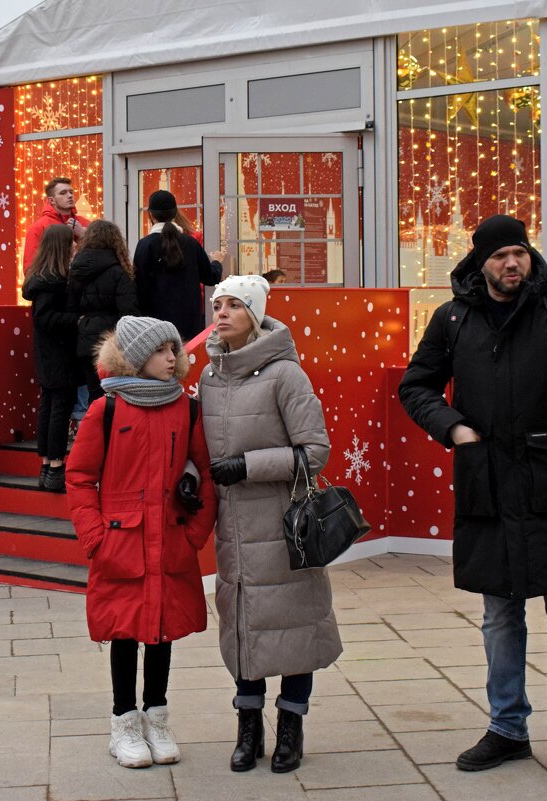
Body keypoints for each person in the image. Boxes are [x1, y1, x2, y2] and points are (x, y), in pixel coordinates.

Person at [398, 214, 547, 792]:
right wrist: (453, 428)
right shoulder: (453, 316)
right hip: (489, 483)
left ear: (530, 257)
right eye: (501, 255)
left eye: (520, 253)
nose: (513, 264)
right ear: (480, 262)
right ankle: (507, 727)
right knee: (500, 615)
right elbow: (416, 386)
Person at [199, 274, 339, 775]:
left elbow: (315, 452)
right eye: (219, 305)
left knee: (295, 627)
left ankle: (291, 727)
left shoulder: (286, 375)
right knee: (243, 628)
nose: (223, 314)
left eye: (235, 305)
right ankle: (248, 727)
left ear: (255, 315)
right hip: (233, 528)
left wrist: (248, 466)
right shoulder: (210, 377)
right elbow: (204, 448)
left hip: (284, 526)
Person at [66, 315, 217, 769]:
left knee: (162, 631)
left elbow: (206, 475)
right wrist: (95, 537)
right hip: (121, 542)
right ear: (135, 357)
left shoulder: (186, 408)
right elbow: (79, 476)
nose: (174, 359)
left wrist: (195, 534)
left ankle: (157, 715)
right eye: (162, 351)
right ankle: (123, 722)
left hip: (169, 539)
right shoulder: (106, 409)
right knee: (125, 633)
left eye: (175, 350)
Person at [22, 224, 80, 493]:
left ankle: (47, 465)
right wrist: (76, 319)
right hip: (59, 352)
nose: (75, 246)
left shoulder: (42, 278)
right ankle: (55, 466)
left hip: (48, 352)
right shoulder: (54, 282)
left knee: (49, 404)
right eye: (71, 243)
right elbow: (45, 317)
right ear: (62, 246)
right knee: (59, 407)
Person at [134, 190, 222, 342]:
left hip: (155, 326)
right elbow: (211, 277)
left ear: (151, 215)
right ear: (175, 214)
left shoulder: (145, 245)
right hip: (189, 324)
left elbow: (140, 287)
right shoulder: (190, 243)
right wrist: (217, 261)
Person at [68, 220, 139, 402]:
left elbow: (71, 306)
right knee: (115, 396)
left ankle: (94, 429)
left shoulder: (77, 270)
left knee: (94, 394)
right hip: (111, 341)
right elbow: (129, 312)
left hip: (85, 339)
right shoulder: (119, 272)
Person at [22, 177, 90, 267]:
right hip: (54, 280)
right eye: (63, 193)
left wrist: (84, 234)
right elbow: (30, 266)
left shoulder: (85, 223)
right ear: (51, 200)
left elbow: (104, 254)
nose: (69, 196)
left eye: (71, 192)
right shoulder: (39, 227)